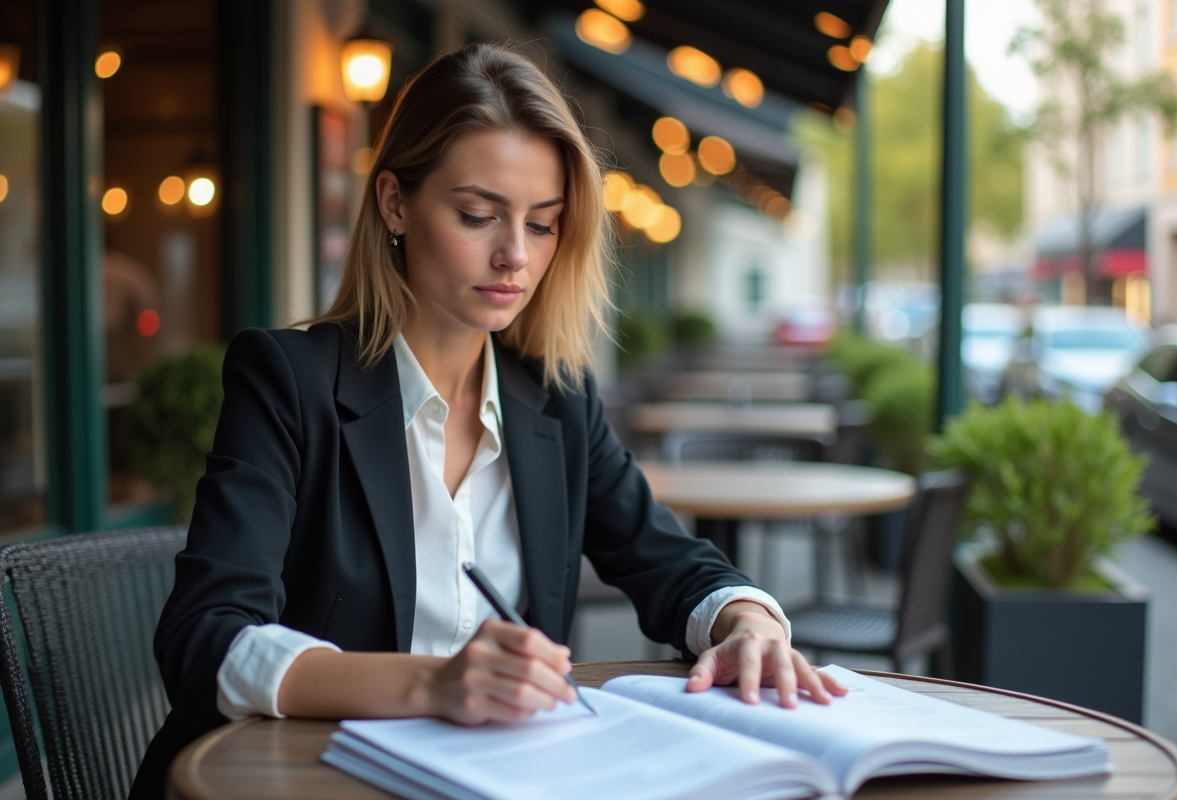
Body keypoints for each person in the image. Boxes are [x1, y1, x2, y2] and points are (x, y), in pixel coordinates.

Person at [130, 42, 846, 799]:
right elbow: (205, 639)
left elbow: (666, 558)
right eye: (478, 215)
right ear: (395, 204)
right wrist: (431, 684)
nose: (514, 256)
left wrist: (745, 621)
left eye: (542, 225)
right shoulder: (289, 382)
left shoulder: (556, 401)